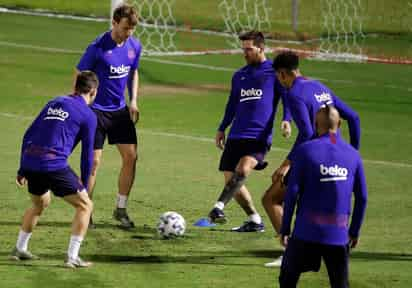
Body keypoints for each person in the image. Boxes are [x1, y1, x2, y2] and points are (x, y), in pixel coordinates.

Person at [263, 51, 361, 267]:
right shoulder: (320, 87)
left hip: (315, 159)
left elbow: (307, 134)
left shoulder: (294, 94)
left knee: (271, 199)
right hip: (339, 157)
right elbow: (353, 117)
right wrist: (353, 153)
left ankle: (291, 254)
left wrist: (286, 164)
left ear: (282, 75)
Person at [11, 71, 98, 268]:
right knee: (85, 206)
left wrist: (23, 168)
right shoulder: (88, 115)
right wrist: (85, 184)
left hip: (32, 161)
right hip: (53, 165)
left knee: (40, 204)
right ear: (93, 91)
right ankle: (72, 257)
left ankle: (20, 248)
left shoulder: (54, 102)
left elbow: (28, 134)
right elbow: (87, 156)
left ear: (75, 87)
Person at [207, 31, 292, 232]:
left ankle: (218, 207)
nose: (244, 53)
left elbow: (287, 98)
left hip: (259, 136)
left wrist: (286, 120)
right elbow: (232, 104)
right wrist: (221, 128)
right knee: (232, 182)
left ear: (261, 48)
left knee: (243, 170)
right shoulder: (239, 75)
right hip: (236, 134)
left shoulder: (274, 72)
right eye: (243, 49)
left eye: (248, 49)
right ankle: (254, 220)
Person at [278, 106, 368, 288]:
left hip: (305, 232)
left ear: (315, 124)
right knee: (340, 284)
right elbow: (362, 197)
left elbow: (292, 193)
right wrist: (354, 231)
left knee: (287, 280)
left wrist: (285, 228)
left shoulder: (304, 151)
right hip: (338, 234)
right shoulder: (353, 155)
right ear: (340, 123)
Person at [75, 4, 142, 229]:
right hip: (95, 112)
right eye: (125, 28)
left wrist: (133, 100)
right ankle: (87, 209)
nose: (128, 33)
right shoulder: (97, 48)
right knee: (93, 162)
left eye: (132, 28)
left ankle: (121, 209)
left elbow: (133, 72)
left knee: (131, 157)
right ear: (114, 23)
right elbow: (79, 75)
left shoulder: (134, 45)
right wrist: (80, 106)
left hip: (120, 111)